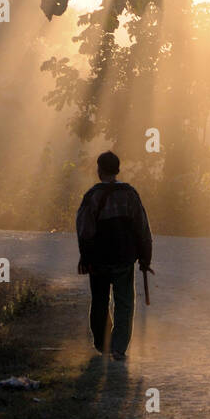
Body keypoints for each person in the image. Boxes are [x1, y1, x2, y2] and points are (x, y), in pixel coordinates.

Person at [76, 150, 153, 361]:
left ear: (99, 171)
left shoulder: (92, 196)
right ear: (117, 170)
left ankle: (103, 345)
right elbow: (143, 228)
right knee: (124, 302)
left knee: (100, 301)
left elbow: (84, 230)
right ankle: (119, 348)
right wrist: (145, 257)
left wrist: (85, 257)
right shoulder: (130, 195)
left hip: (99, 260)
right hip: (124, 258)